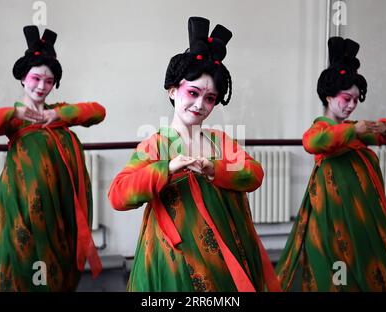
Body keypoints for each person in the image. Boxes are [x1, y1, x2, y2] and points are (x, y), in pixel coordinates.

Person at [108, 17, 280, 292]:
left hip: (225, 257)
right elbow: (118, 195)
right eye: (193, 92)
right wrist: (167, 168)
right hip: (174, 260)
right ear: (173, 91)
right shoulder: (156, 145)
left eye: (210, 98)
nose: (200, 104)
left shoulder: (219, 141)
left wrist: (214, 169)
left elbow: (254, 174)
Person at [0, 25, 104, 291]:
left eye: (49, 81)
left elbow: (98, 112)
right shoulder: (14, 118)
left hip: (58, 210)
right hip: (21, 207)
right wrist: (11, 115)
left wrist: (59, 116)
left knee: (55, 264)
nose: (42, 86)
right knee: (19, 261)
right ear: (22, 78)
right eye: (35, 79)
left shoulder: (58, 112)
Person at [275, 37, 386, 291]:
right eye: (347, 98)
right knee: (334, 260)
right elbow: (312, 142)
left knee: (361, 258)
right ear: (328, 96)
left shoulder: (352, 129)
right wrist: (354, 131)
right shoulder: (325, 128)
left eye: (356, 100)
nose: (352, 105)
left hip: (359, 213)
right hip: (330, 213)